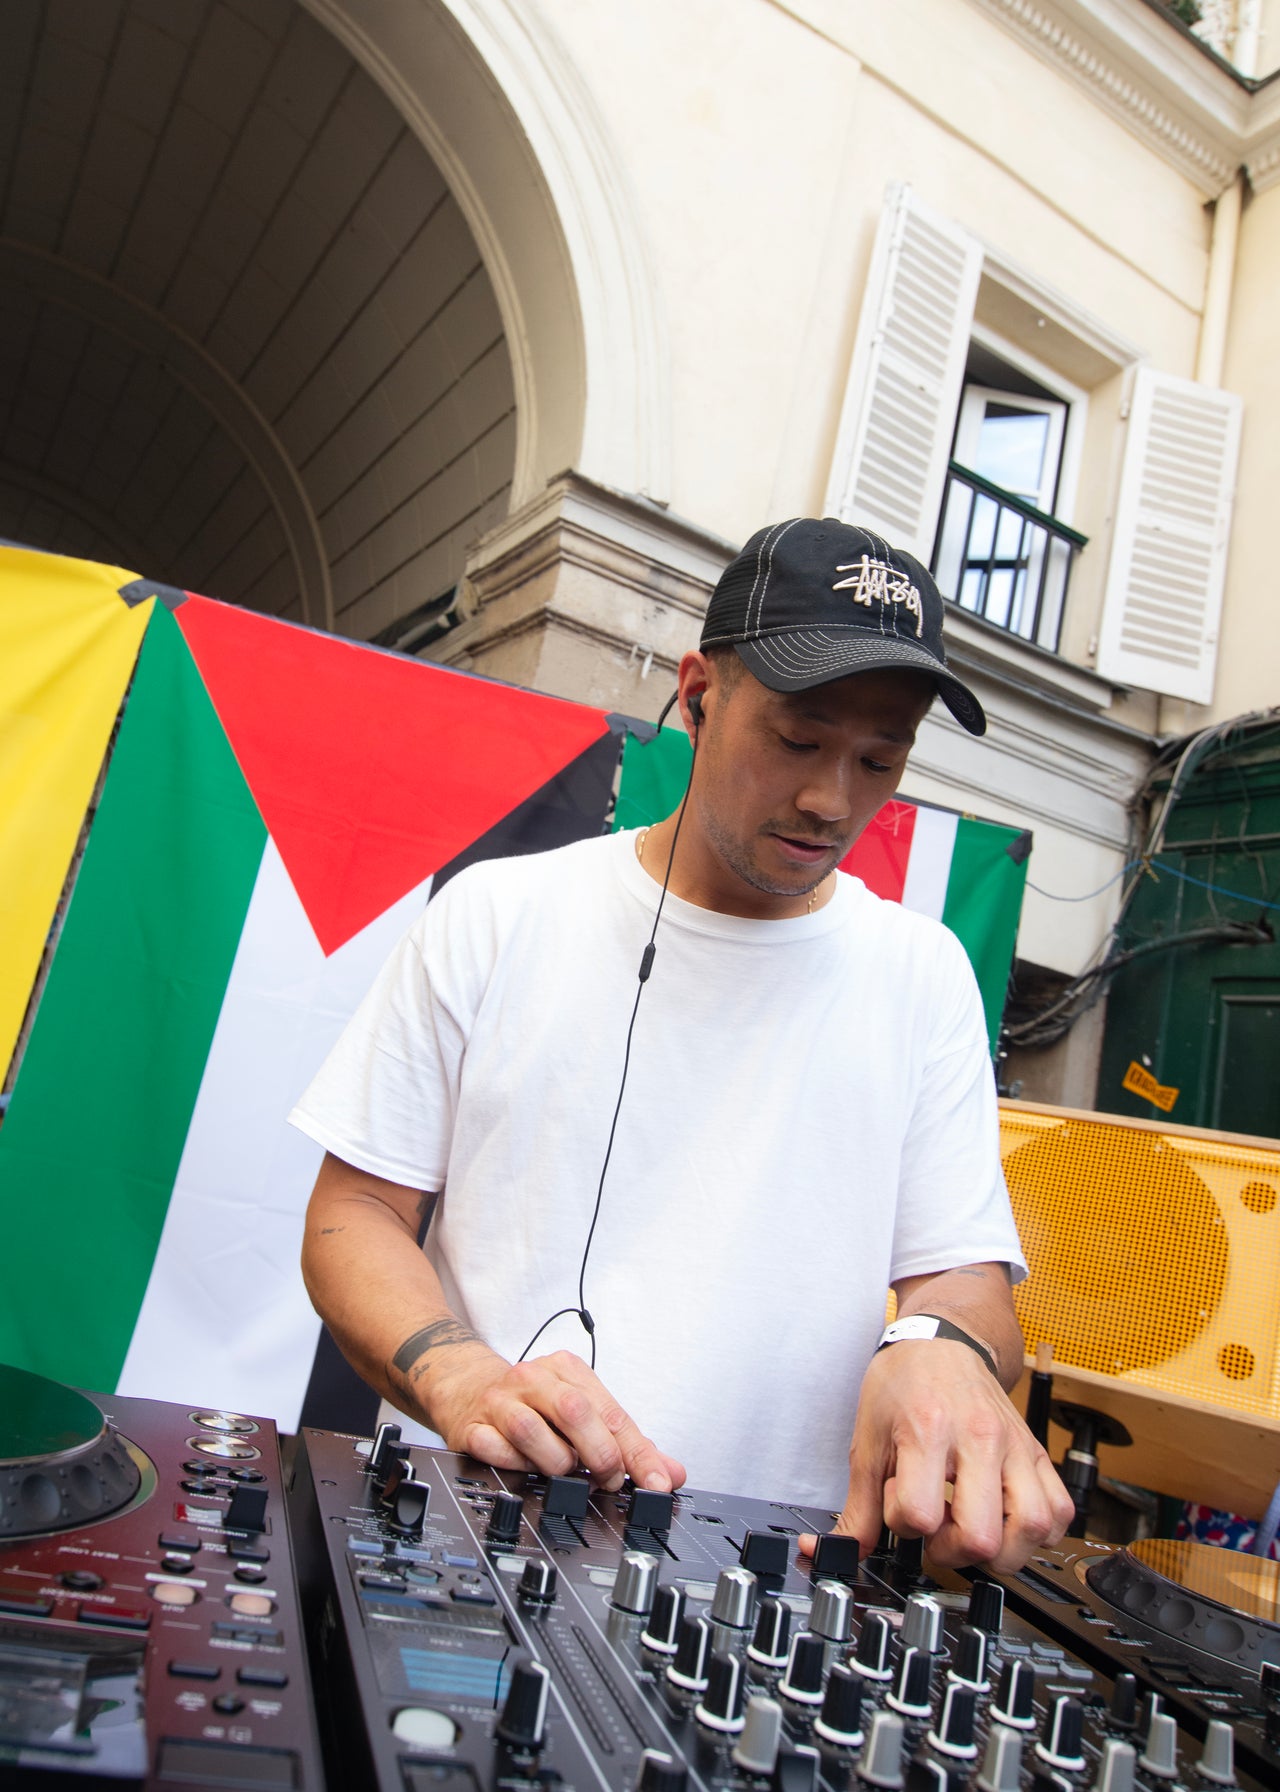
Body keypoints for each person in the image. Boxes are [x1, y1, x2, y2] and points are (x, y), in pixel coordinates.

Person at [292, 516, 1073, 1573]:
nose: (830, 799)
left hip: (769, 1577)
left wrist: (936, 1347)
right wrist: (463, 1377)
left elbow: (964, 1279)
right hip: (468, 1533)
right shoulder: (495, 914)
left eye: (878, 759)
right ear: (699, 695)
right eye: (797, 739)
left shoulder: (922, 974)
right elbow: (354, 1214)